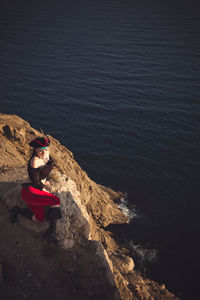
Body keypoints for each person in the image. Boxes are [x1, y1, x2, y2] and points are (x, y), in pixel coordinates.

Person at [9, 137, 62, 243]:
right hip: (31, 191)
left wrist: (46, 181)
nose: (43, 152)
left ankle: (17, 210)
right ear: (35, 150)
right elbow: (36, 182)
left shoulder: (45, 156)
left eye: (46, 149)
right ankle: (51, 232)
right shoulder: (35, 161)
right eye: (41, 149)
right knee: (55, 200)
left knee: (39, 219)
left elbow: (47, 168)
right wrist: (46, 189)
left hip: (35, 190)